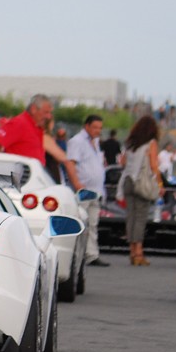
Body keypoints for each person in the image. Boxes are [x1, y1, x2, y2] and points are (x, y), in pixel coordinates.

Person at [0, 93, 78, 186]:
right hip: (23, 182)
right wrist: (6, 165)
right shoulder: (20, 123)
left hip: (32, 180)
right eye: (46, 112)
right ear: (34, 109)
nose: (48, 116)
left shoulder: (36, 127)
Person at [119, 115, 163, 266]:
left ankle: (132, 251)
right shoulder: (151, 143)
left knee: (130, 216)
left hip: (127, 182)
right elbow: (154, 165)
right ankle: (138, 252)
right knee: (140, 218)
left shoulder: (130, 143)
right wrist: (159, 184)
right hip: (141, 183)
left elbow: (122, 162)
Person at [66, 114, 109, 267]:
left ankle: (91, 254)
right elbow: (70, 163)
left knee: (92, 223)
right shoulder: (77, 141)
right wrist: (77, 184)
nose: (98, 131)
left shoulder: (95, 142)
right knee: (81, 222)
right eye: (95, 127)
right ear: (87, 126)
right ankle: (76, 253)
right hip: (83, 188)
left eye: (100, 128)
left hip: (96, 189)